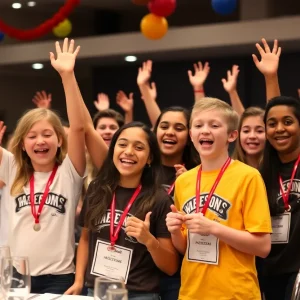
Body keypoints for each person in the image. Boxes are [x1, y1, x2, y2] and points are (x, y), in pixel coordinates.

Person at [0, 38, 86, 294]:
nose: (40, 141)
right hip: (18, 275)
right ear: (22, 142)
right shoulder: (11, 166)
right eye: (32, 136)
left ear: (60, 140)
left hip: (60, 278)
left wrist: (67, 76)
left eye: (47, 134)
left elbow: (79, 127)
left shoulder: (69, 172)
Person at [166, 97, 272, 300]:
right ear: (191, 134)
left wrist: (213, 228)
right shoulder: (184, 181)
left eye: (214, 125)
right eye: (198, 125)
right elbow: (185, 247)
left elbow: (263, 247)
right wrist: (175, 232)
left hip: (236, 294)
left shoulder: (248, 177)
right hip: (191, 293)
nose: (205, 130)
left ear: (232, 135)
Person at [66, 122, 179, 299]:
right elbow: (86, 239)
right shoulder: (97, 189)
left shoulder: (160, 200)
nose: (128, 151)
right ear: (113, 151)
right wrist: (79, 280)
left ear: (150, 158)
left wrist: (148, 240)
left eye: (139, 147)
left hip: (138, 294)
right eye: (123, 144)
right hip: (96, 290)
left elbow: (171, 266)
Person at [153, 106, 199, 300]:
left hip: (180, 271)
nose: (170, 132)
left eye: (178, 128)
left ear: (189, 136)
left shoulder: (199, 173)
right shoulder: (139, 169)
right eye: (164, 126)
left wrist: (190, 185)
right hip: (141, 267)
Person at [260, 96, 300, 300]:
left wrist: (270, 77)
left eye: (288, 122)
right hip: (268, 270)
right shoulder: (259, 175)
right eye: (272, 124)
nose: (279, 129)